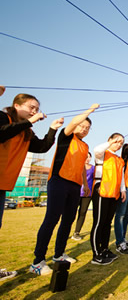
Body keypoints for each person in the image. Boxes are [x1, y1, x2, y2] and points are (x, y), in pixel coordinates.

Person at [0, 90, 63, 280]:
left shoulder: (26, 131)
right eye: (31, 107)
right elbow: (2, 134)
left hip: (3, 182)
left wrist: (52, 129)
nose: (34, 111)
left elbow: (41, 147)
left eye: (37, 109)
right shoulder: (3, 118)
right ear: (17, 106)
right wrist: (30, 121)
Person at [30, 103, 98, 275]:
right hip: (59, 181)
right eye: (82, 126)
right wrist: (90, 110)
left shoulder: (85, 146)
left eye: (88, 128)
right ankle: (38, 261)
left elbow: (82, 166)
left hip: (75, 186)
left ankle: (59, 254)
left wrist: (85, 184)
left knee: (68, 221)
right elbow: (75, 122)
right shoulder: (66, 137)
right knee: (51, 219)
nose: (84, 129)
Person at [90, 133, 126, 265]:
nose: (119, 144)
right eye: (117, 141)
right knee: (99, 223)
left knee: (107, 223)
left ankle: (104, 249)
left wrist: (123, 189)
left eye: (121, 143)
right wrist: (110, 143)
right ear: (109, 140)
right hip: (101, 191)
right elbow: (97, 150)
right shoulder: (103, 154)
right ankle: (96, 254)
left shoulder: (118, 159)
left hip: (114, 193)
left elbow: (121, 175)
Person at [71, 152, 95, 240]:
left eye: (89, 157)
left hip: (87, 194)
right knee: (71, 213)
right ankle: (65, 232)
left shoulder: (93, 168)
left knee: (82, 213)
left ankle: (76, 233)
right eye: (86, 157)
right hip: (76, 192)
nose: (87, 159)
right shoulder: (77, 166)